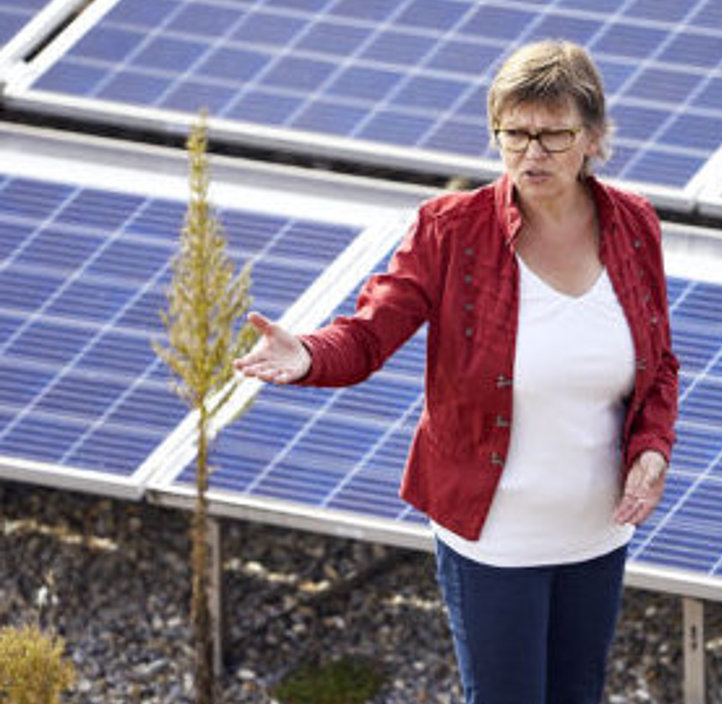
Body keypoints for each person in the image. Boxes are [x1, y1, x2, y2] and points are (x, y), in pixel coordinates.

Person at [234, 39, 679, 704]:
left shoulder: (633, 222)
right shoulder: (450, 231)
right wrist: (308, 357)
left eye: (553, 135)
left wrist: (651, 451)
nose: (532, 153)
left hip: (598, 530)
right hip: (493, 539)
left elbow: (658, 367)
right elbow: (369, 333)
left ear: (591, 137)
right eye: (514, 134)